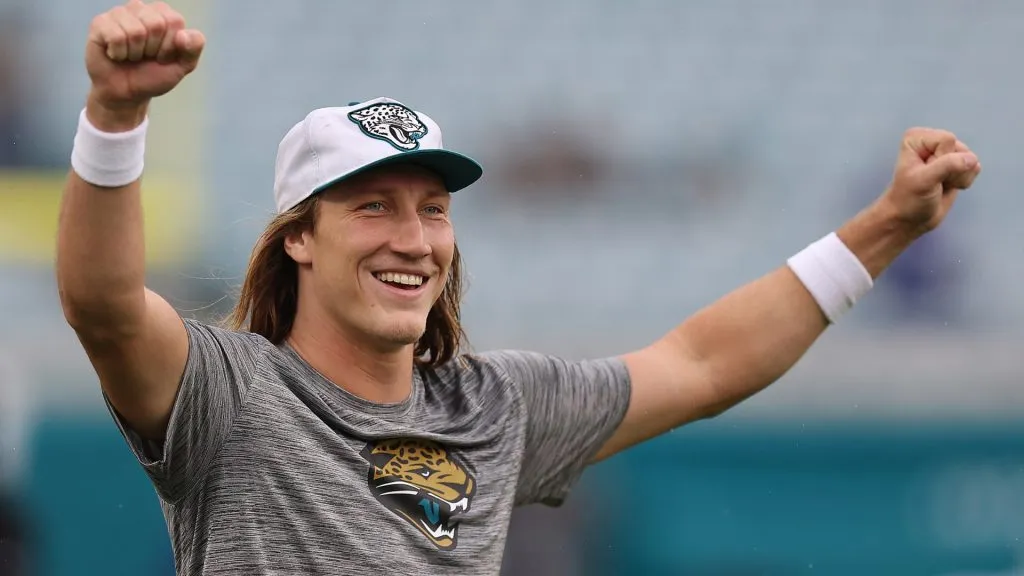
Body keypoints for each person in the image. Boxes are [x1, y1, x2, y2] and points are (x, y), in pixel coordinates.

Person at [54, 2, 983, 575]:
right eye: (374, 207)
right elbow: (103, 303)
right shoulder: (230, 394)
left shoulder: (495, 406)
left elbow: (703, 363)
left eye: (433, 209)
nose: (415, 239)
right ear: (299, 235)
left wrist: (886, 227)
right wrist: (116, 116)